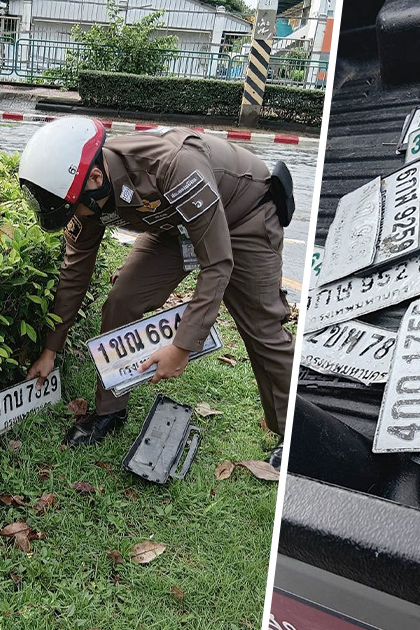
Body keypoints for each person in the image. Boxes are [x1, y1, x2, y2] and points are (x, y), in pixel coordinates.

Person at [18, 118, 293, 467]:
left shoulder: (173, 165)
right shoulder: (86, 194)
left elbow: (218, 262)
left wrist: (181, 347)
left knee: (263, 329)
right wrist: (50, 349)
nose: (79, 216)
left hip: (244, 215)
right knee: (122, 301)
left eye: (75, 209)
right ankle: (110, 412)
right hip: (173, 224)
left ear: (96, 180)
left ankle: (291, 432)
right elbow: (75, 272)